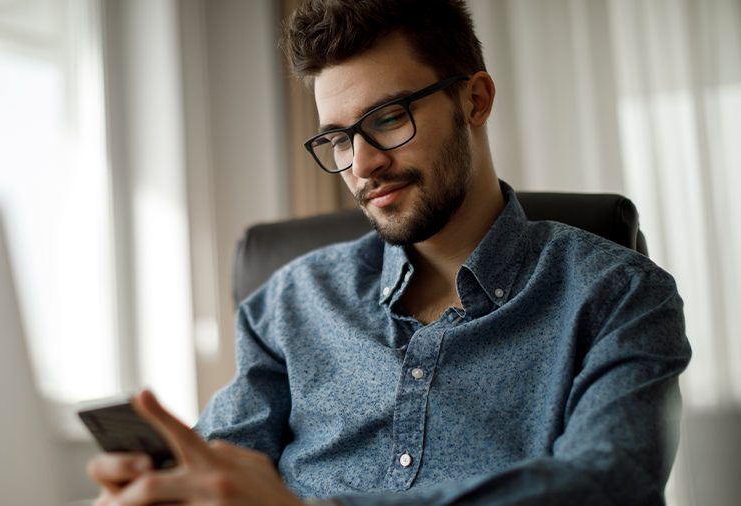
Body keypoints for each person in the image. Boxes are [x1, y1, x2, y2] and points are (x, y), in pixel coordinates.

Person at [87, 1, 691, 505]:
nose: (363, 163)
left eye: (388, 118)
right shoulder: (289, 301)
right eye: (338, 138)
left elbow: (610, 485)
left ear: (475, 100)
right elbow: (224, 463)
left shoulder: (622, 295)